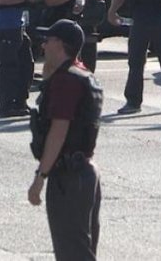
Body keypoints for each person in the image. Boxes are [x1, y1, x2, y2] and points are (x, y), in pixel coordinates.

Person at [27, 19, 102, 261]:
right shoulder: (81, 74)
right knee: (80, 250)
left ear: (59, 44)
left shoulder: (65, 81)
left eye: (47, 41)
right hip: (83, 172)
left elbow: (58, 131)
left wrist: (40, 177)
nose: (43, 46)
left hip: (69, 177)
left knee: (73, 253)